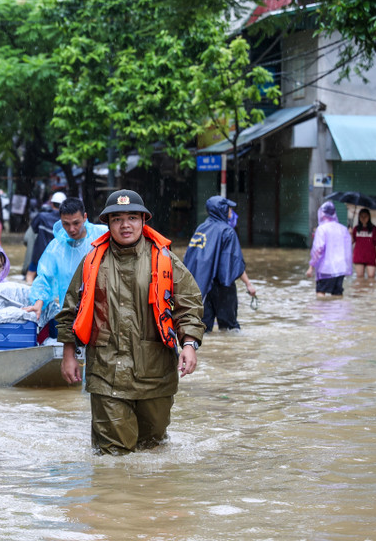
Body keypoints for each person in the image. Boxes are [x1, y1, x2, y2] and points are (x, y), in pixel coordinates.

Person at [56, 189, 205, 455]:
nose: (125, 225)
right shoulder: (92, 262)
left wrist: (190, 344)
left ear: (143, 221)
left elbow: (189, 305)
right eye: (117, 219)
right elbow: (71, 310)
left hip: (156, 372)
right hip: (105, 372)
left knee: (153, 449)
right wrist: (69, 354)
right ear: (108, 224)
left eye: (132, 218)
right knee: (112, 456)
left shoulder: (165, 260)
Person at [23, 197, 107, 335]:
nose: (71, 229)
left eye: (76, 223)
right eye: (66, 224)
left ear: (85, 217)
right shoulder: (56, 247)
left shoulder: (103, 235)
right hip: (72, 312)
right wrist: (38, 302)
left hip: (102, 309)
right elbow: (45, 277)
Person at [183, 196, 257, 333]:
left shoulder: (201, 228)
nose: (231, 211)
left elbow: (190, 259)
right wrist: (248, 284)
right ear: (222, 209)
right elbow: (233, 263)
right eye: (229, 208)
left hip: (201, 287)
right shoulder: (227, 231)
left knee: (203, 329)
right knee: (229, 329)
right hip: (222, 287)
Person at [305, 201, 353, 297]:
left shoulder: (322, 229)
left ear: (322, 213)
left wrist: (311, 267)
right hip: (340, 267)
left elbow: (318, 249)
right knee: (337, 294)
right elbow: (348, 249)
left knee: (321, 292)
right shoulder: (343, 229)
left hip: (326, 268)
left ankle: (322, 308)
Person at [25, 192, 66, 283]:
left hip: (39, 254)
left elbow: (33, 230)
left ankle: (28, 289)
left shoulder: (41, 216)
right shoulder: (65, 221)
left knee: (30, 274)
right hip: (56, 257)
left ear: (52, 203)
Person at [351, 208, 376, 278]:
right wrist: (350, 233)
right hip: (359, 255)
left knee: (371, 276)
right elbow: (351, 242)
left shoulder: (374, 229)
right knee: (359, 277)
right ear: (359, 217)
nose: (363, 218)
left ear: (369, 217)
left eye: (365, 216)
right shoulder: (356, 229)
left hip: (371, 256)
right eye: (361, 216)